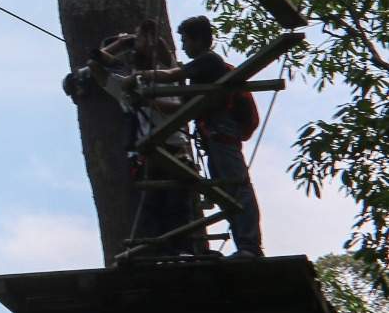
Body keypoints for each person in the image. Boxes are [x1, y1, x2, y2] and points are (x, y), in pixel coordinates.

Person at [66, 21, 205, 258]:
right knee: (153, 206)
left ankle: (183, 252)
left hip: (176, 150)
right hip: (150, 156)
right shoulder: (127, 86)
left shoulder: (168, 75)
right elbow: (95, 64)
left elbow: (164, 53)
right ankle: (160, 254)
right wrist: (125, 42)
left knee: (177, 206)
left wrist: (147, 38)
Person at [131, 15, 264, 258]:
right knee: (226, 192)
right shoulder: (201, 73)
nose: (182, 46)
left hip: (222, 133)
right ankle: (245, 246)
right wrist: (149, 99)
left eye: (185, 40)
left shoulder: (209, 61)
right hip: (213, 136)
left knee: (237, 187)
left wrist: (143, 77)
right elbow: (182, 109)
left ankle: (249, 246)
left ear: (198, 40)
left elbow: (172, 74)